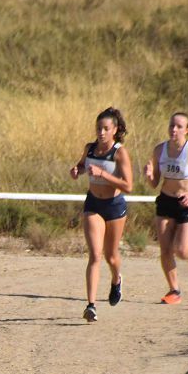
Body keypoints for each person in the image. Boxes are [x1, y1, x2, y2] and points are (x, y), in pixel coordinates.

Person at [69, 107, 134, 322]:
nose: (101, 132)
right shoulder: (89, 149)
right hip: (93, 204)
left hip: (114, 206)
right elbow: (82, 166)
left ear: (115, 130)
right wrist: (77, 171)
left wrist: (104, 174)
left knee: (111, 256)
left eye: (106, 128)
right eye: (99, 128)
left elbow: (128, 185)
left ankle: (116, 280)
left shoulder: (119, 152)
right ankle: (91, 305)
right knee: (95, 254)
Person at [144, 112, 188, 304]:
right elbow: (154, 183)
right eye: (171, 126)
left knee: (181, 250)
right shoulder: (160, 150)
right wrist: (149, 175)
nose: (173, 130)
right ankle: (174, 290)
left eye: (178, 127)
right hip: (166, 201)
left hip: (187, 203)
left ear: (187, 130)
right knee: (165, 249)